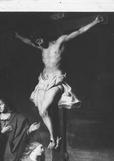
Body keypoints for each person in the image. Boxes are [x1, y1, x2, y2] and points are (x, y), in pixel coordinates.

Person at [15, 16, 103, 149]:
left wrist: (95, 22)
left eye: (39, 39)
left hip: (56, 80)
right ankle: (54, 137)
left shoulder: (59, 42)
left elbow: (79, 32)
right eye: (36, 42)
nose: (38, 43)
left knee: (45, 108)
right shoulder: (41, 47)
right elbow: (28, 41)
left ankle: (52, 139)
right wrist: (18, 36)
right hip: (43, 81)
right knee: (42, 111)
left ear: (43, 36)